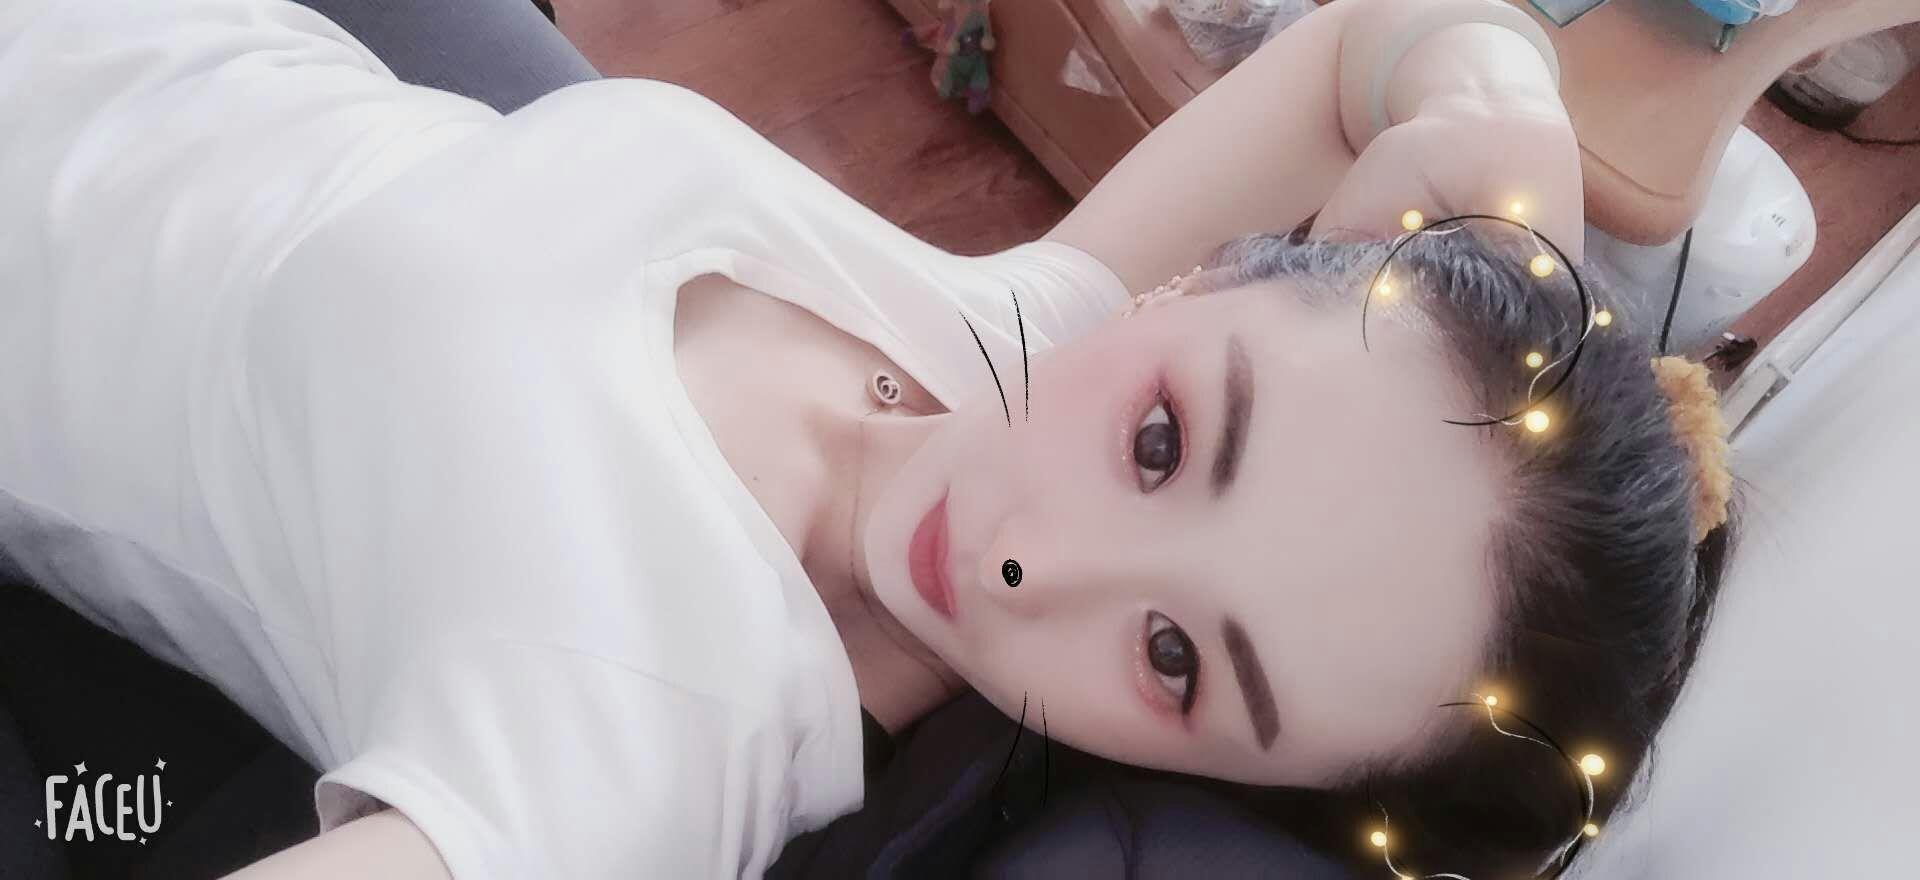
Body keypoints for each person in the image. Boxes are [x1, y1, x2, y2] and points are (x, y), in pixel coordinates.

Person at [0, 0, 1734, 877]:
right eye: (1160, 444)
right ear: (1205, 279)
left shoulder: (634, 751)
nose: (1032, 563)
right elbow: (1375, 46)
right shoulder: (1014, 337)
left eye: (1175, 661)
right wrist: (1506, 120)